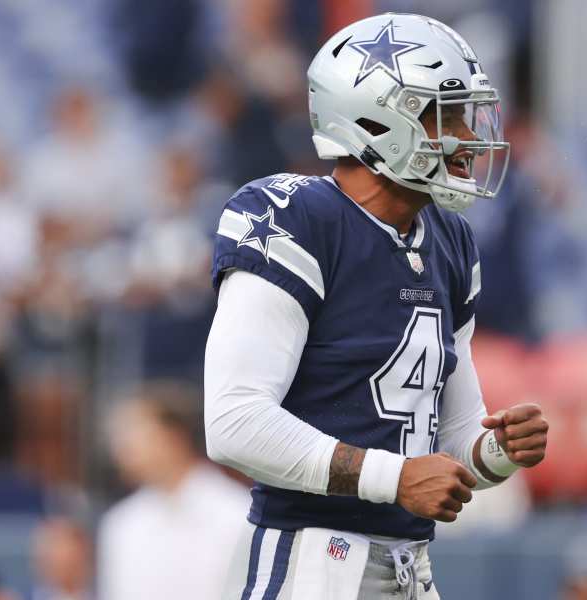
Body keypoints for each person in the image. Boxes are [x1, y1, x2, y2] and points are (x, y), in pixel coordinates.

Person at [204, 13, 549, 599]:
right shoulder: (296, 220)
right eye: (446, 115)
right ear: (377, 119)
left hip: (411, 569)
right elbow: (233, 424)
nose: (467, 138)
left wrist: (498, 451)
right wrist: (394, 478)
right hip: (312, 569)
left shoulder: (449, 240)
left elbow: (449, 443)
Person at [98, 381, 251, 600]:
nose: (122, 448)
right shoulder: (121, 523)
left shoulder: (237, 514)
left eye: (134, 433)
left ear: (174, 437)